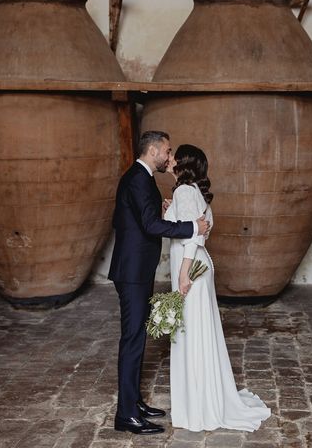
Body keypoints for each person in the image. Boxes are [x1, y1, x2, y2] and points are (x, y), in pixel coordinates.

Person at [108, 131, 210, 435]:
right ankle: (126, 415)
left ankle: (134, 401)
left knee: (137, 337)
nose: (171, 157)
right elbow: (150, 225)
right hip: (132, 272)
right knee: (132, 340)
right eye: (167, 151)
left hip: (138, 269)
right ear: (153, 151)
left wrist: (166, 212)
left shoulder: (143, 178)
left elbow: (141, 219)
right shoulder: (138, 179)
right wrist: (192, 226)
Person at [164, 144, 271, 432]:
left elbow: (193, 238)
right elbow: (193, 225)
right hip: (200, 267)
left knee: (192, 333)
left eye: (174, 155)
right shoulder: (193, 192)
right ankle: (204, 396)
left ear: (183, 164)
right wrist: (170, 210)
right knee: (195, 331)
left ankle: (199, 405)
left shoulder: (184, 191)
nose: (169, 157)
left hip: (192, 268)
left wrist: (183, 276)